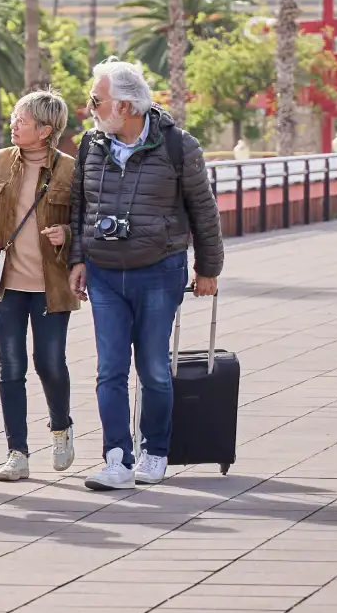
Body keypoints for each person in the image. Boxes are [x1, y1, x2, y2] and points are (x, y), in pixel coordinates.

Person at [68, 59, 223, 491]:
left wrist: (208, 268)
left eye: (96, 100)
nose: (91, 107)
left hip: (159, 271)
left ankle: (156, 451)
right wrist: (77, 259)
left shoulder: (179, 146)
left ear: (125, 105)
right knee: (110, 370)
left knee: (153, 368)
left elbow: (203, 211)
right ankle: (117, 458)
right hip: (103, 273)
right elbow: (79, 207)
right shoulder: (91, 145)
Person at [0, 90, 79, 483]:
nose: (14, 124)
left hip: (51, 285)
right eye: (14, 117)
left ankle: (61, 429)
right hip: (4, 284)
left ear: (45, 130)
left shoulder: (69, 172)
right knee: (10, 366)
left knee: (49, 363)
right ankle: (17, 452)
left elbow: (88, 224)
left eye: (22, 120)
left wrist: (68, 233)